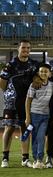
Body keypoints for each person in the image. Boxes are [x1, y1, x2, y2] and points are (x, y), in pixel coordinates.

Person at [1, 39, 39, 168]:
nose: (26, 50)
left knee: (25, 128)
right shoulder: (10, 65)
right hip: (11, 102)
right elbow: (2, 82)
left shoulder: (34, 65)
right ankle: (5, 158)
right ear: (18, 49)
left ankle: (25, 158)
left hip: (26, 102)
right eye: (23, 48)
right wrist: (11, 93)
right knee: (9, 127)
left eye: (28, 48)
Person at [24, 63, 53, 169]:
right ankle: (36, 159)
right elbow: (28, 101)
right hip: (34, 114)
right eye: (41, 71)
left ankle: (39, 159)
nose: (43, 73)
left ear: (50, 74)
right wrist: (28, 117)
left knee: (41, 136)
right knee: (35, 138)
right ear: (38, 73)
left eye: (46, 71)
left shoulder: (52, 85)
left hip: (46, 115)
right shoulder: (34, 85)